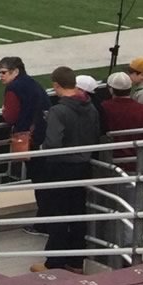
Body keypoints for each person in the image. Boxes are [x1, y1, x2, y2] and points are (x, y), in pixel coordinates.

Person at [34, 66, 102, 272]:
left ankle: (54, 263)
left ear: (56, 85)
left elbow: (53, 143)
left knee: (58, 216)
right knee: (77, 214)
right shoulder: (91, 107)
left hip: (60, 168)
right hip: (83, 167)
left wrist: (40, 149)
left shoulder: (59, 110)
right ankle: (76, 262)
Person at [0, 55, 49, 154]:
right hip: (43, 132)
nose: (0, 75)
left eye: (3, 72)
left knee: (28, 166)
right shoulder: (33, 82)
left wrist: (4, 110)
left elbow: (10, 117)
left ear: (16, 71)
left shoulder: (13, 88)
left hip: (27, 137)